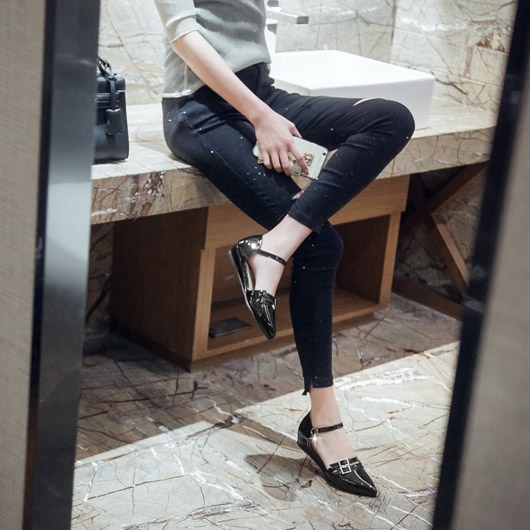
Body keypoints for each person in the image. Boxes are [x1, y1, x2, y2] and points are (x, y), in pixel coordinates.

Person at [154, 0, 415, 497]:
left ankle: (272, 246)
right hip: (199, 110)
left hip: (261, 93)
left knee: (390, 118)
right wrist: (261, 118)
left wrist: (263, 109)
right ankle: (324, 423)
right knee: (323, 245)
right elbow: (183, 36)